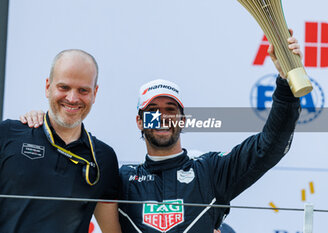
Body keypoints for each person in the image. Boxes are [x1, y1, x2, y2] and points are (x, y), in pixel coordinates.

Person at [21, 35, 302, 232]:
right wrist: (40, 125)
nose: (163, 118)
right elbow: (56, 178)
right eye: (153, 111)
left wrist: (285, 82)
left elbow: (271, 146)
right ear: (139, 121)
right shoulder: (119, 178)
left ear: (183, 119)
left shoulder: (211, 171)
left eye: (171, 109)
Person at [1, 49, 122, 233]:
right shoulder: (9, 133)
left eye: (83, 90)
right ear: (47, 87)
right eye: (64, 87)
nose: (72, 98)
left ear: (95, 93)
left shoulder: (104, 158)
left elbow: (112, 230)